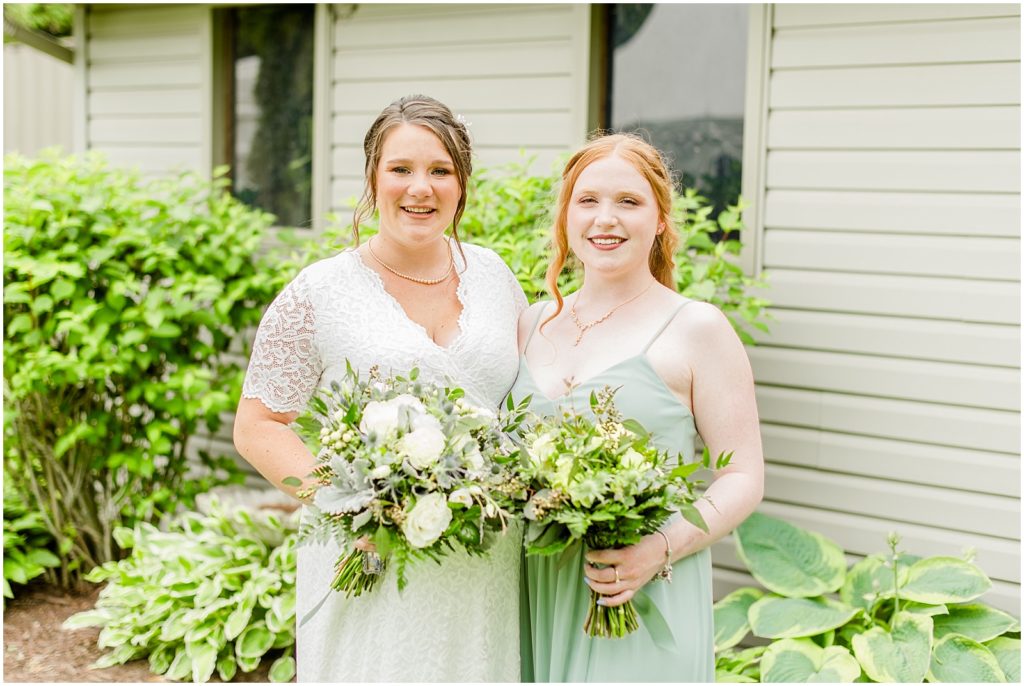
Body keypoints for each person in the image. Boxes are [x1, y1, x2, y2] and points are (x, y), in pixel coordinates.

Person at [233, 94, 527, 682]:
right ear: (373, 177)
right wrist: (350, 509)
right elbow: (258, 426)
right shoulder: (319, 292)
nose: (421, 188)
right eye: (402, 169)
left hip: (485, 559)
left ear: (462, 184)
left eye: (440, 171)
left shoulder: (495, 277)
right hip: (371, 556)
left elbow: (526, 400)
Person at [509, 133, 764, 682]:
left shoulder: (697, 328)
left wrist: (658, 549)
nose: (606, 219)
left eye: (628, 202)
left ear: (660, 220)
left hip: (643, 591)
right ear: (566, 217)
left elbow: (743, 475)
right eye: (588, 201)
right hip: (538, 588)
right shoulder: (530, 323)